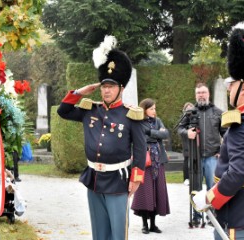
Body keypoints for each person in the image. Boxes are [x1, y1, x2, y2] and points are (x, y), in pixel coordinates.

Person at [192, 26, 244, 240]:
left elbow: (239, 172)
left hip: (239, 211)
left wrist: (210, 197)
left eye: (231, 84)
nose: (229, 88)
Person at [57, 35, 146, 240]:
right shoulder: (91, 110)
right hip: (94, 179)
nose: (106, 90)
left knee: (117, 234)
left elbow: (140, 150)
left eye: (111, 86)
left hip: (118, 181)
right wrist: (79, 92)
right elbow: (63, 111)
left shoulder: (131, 115)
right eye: (104, 86)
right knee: (99, 234)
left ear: (121, 88)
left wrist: (136, 179)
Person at [177, 83, 226, 225]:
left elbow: (227, 134)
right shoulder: (190, 112)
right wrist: (187, 133)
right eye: (198, 93)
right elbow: (180, 128)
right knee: (195, 188)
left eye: (203, 92)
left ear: (208, 93)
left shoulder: (218, 112)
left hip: (212, 156)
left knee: (213, 187)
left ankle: (212, 217)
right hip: (195, 157)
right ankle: (197, 217)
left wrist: (221, 151)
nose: (201, 95)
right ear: (195, 95)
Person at [131, 98, 170, 234]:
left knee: (156, 191)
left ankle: (153, 224)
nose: (154, 111)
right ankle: (144, 225)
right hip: (145, 160)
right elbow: (140, 137)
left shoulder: (157, 121)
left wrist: (151, 133)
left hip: (157, 160)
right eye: (152, 108)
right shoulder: (138, 122)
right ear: (145, 109)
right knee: (145, 192)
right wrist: (155, 135)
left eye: (155, 108)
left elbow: (165, 134)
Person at [179, 102, 195, 186]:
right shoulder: (183, 118)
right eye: (187, 108)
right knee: (187, 159)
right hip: (186, 141)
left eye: (191, 107)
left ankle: (194, 178)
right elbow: (181, 129)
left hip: (195, 142)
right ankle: (186, 178)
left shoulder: (196, 117)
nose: (189, 109)